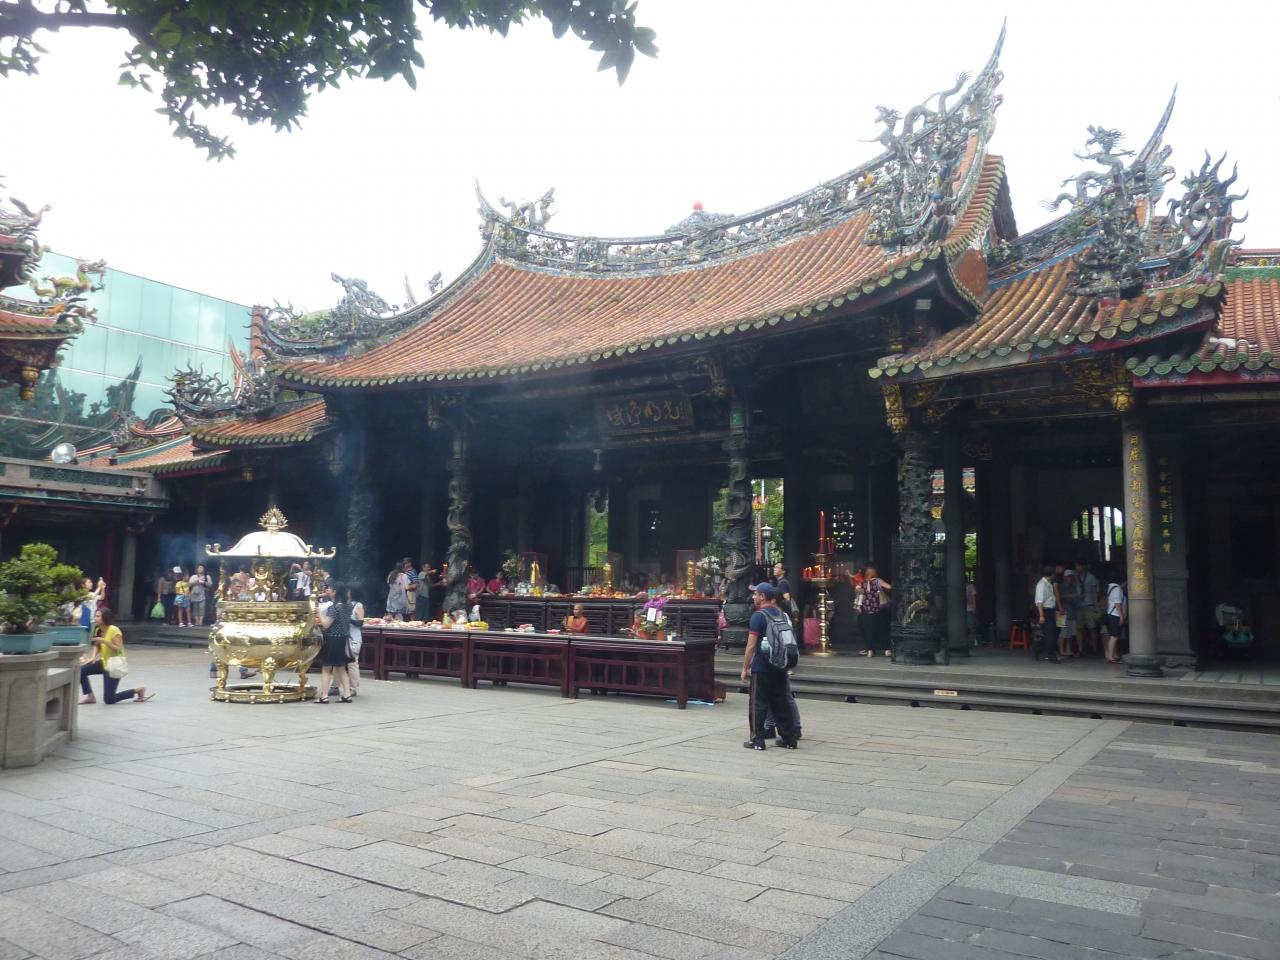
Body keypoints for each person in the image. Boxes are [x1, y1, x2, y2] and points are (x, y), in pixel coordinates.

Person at [739, 582, 799, 750]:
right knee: (781, 701)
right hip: (780, 665)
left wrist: (745, 667)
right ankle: (789, 739)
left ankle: (757, 740)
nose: (753, 597)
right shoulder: (781, 614)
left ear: (762, 596)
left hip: (762, 667)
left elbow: (751, 646)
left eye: (755, 594)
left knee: (758, 703)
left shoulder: (758, 616)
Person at [79, 608, 152, 704]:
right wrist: (93, 657)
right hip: (104, 662)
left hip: (113, 665)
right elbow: (97, 645)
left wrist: (104, 641)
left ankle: (138, 690)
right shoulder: (98, 629)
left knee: (109, 699)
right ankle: (90, 696)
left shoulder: (114, 630)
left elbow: (118, 648)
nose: (95, 618)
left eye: (98, 616)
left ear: (105, 618)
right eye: (95, 616)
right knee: (81, 670)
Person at [316, 582, 354, 703]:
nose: (328, 590)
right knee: (341, 667)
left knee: (326, 668)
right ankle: (347, 694)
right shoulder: (348, 606)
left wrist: (319, 613)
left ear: (335, 592)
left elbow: (326, 624)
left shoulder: (334, 607)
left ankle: (324, 696)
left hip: (332, 639)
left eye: (330, 589)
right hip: (343, 639)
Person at [860, 564, 892, 656]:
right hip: (879, 609)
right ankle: (887, 650)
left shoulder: (862, 582)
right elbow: (889, 587)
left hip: (867, 609)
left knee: (869, 630)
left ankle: (870, 651)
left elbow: (859, 592)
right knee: (883, 629)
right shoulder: (878, 581)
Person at [1034, 565, 1062, 663]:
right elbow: (1039, 601)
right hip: (1045, 611)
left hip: (1051, 610)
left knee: (1054, 632)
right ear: (1051, 575)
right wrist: (1042, 616)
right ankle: (1051, 656)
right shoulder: (1042, 585)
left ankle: (1037, 648)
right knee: (1050, 634)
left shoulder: (1049, 584)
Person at [1077, 560, 1101, 655]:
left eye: (1078, 566)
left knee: (1092, 628)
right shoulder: (1075, 577)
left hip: (1089, 605)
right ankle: (1080, 649)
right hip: (1078, 606)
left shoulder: (1091, 577)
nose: (1077, 568)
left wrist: (1096, 606)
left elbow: (1095, 592)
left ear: (1083, 566)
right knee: (1079, 629)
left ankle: (1094, 648)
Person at [1103, 575, 1127, 664]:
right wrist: (1121, 616)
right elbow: (1117, 603)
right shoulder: (1117, 589)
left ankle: (1114, 655)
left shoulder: (1110, 588)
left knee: (1113, 636)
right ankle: (1111, 657)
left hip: (1111, 615)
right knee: (1114, 636)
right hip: (1115, 615)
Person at [1059, 567, 1081, 659]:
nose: (1070, 578)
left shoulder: (1073, 586)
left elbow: (1078, 596)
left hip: (1072, 612)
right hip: (1062, 612)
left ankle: (1068, 650)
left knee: (1071, 633)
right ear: (1064, 577)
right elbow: (1059, 597)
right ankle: (1061, 650)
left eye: (1071, 576)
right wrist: (1071, 596)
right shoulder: (1061, 586)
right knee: (1062, 633)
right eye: (1068, 576)